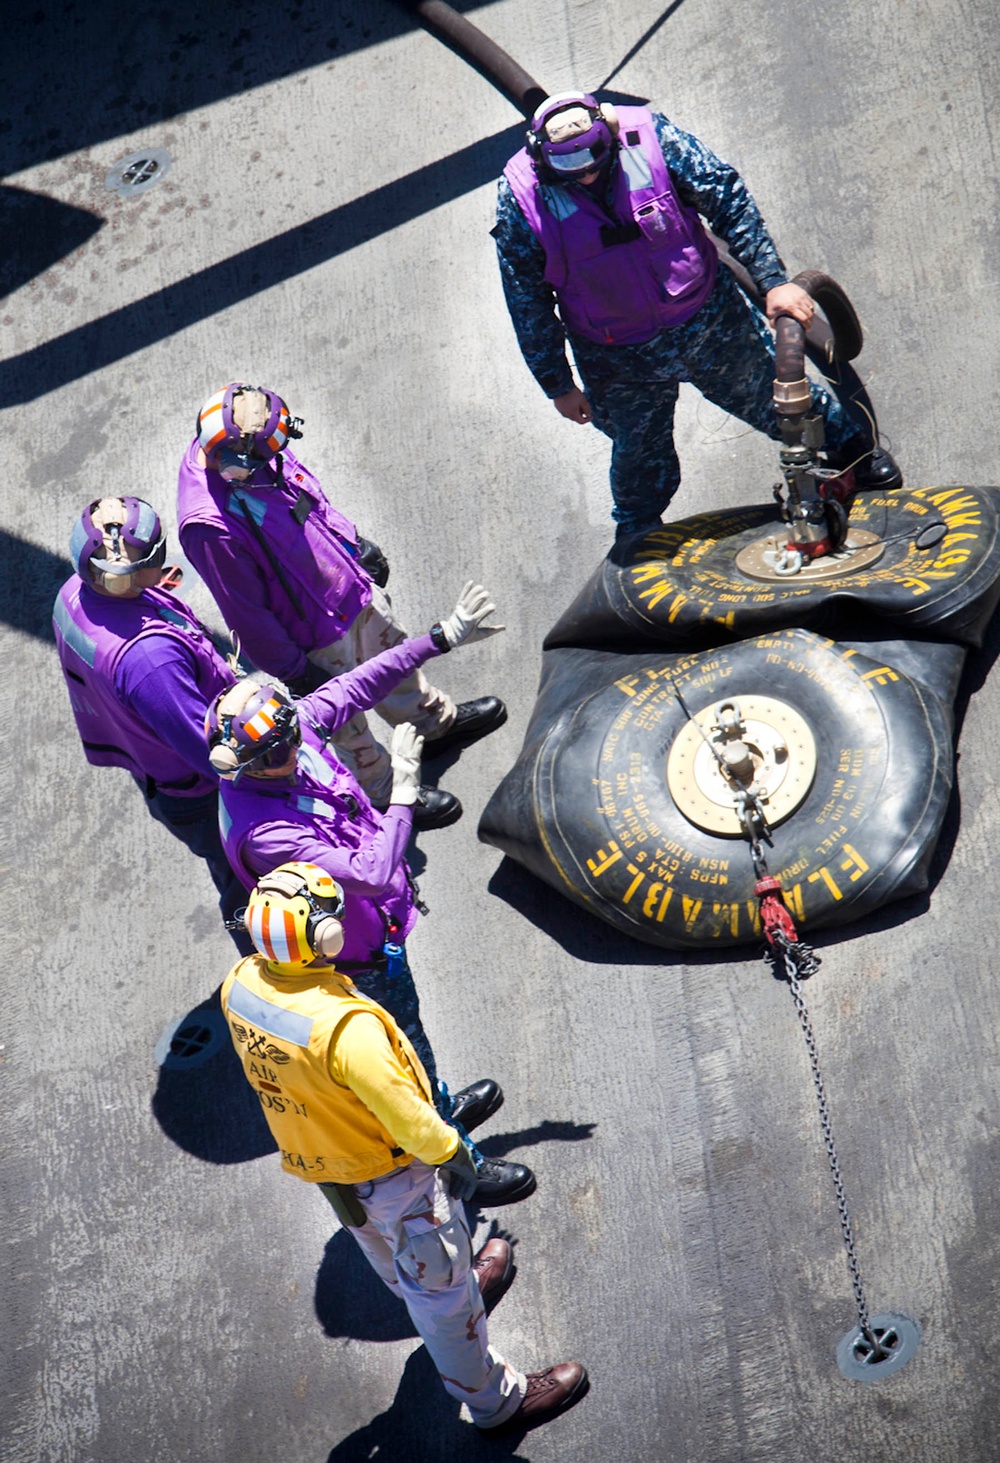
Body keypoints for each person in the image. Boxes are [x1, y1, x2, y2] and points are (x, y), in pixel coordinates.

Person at [221, 862, 589, 1433]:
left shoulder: (242, 983)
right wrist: (458, 1155)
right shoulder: (346, 1028)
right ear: (323, 938)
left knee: (391, 1256)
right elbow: (413, 1124)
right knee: (440, 1297)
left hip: (330, 1165)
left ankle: (447, 1285)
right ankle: (497, 1400)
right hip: (396, 1178)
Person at [205, 584, 535, 1208]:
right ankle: (459, 1163)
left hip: (365, 931)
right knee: (401, 1051)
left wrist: (441, 636)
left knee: (412, 1049)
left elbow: (356, 685)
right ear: (251, 761)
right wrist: (404, 790)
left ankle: (435, 1100)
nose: (299, 747)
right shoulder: (266, 831)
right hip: (353, 959)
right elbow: (376, 871)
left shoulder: (279, 739)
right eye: (283, 750)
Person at [494, 91, 903, 542]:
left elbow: (726, 195)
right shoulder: (521, 198)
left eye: (594, 157)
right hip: (616, 357)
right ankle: (638, 534)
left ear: (607, 134)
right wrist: (557, 384)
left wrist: (772, 281)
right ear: (543, 158)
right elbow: (526, 297)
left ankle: (857, 458)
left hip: (710, 321)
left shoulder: (649, 138)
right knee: (638, 457)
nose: (588, 173)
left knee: (781, 399)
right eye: (571, 167)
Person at [177, 383, 507, 828]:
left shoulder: (257, 449)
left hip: (351, 593)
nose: (277, 458)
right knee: (350, 730)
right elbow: (245, 612)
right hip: (315, 639)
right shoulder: (209, 525)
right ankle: (388, 794)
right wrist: (295, 670)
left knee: (398, 668)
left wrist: (354, 545)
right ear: (233, 461)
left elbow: (308, 494)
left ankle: (434, 726)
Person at [52, 496, 249, 946]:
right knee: (248, 886)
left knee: (232, 876)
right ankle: (263, 968)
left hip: (154, 768)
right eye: (155, 556)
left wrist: (151, 598)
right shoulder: (149, 660)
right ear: (123, 577)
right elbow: (211, 752)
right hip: (204, 794)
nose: (163, 562)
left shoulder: (72, 594)